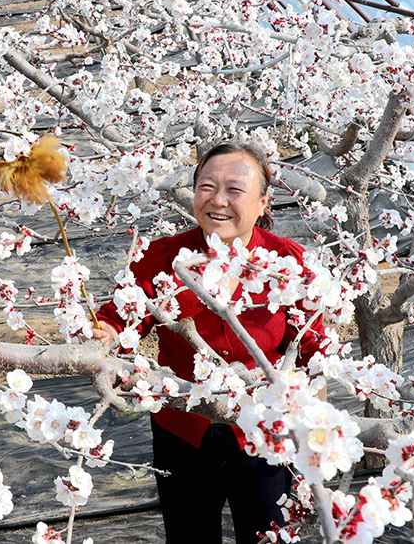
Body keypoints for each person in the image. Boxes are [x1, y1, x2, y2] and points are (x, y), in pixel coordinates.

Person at [92, 141, 327, 544]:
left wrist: (314, 435)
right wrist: (104, 333)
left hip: (264, 432)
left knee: (269, 537)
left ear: (263, 202)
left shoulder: (290, 265)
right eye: (206, 186)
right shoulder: (164, 257)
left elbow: (312, 354)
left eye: (235, 190)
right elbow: (120, 318)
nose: (218, 200)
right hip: (183, 427)